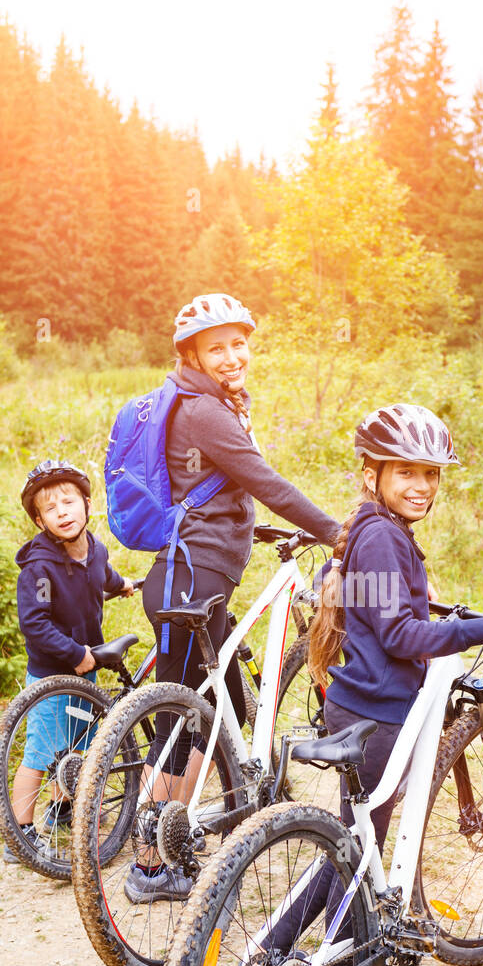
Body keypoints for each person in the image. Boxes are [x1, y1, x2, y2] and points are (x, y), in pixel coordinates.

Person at [259, 402, 483, 966]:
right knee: (356, 855)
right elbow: (398, 633)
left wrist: (445, 618)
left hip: (353, 706)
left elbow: (381, 609)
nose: (422, 485)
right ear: (373, 473)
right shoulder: (385, 535)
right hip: (380, 721)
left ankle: (263, 955)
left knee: (349, 846)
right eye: (407, 473)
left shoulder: (366, 528)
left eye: (432, 474)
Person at [129, 292, 341, 904]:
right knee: (178, 719)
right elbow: (263, 480)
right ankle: (149, 864)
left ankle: (189, 829)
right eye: (216, 346)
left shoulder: (212, 404)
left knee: (225, 708)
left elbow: (220, 487)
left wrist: (257, 527)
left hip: (197, 576)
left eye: (238, 343)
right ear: (192, 353)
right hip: (189, 580)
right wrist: (336, 531)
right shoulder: (202, 411)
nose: (231, 355)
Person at [6, 460, 133, 863]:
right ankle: (20, 835)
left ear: (87, 504)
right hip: (52, 676)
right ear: (40, 520)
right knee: (42, 753)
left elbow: (102, 574)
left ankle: (61, 812)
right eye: (51, 508)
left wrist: (123, 584)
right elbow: (35, 625)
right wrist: (75, 653)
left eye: (69, 501)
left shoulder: (94, 548)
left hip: (86, 671)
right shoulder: (39, 568)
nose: (62, 512)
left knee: (77, 747)